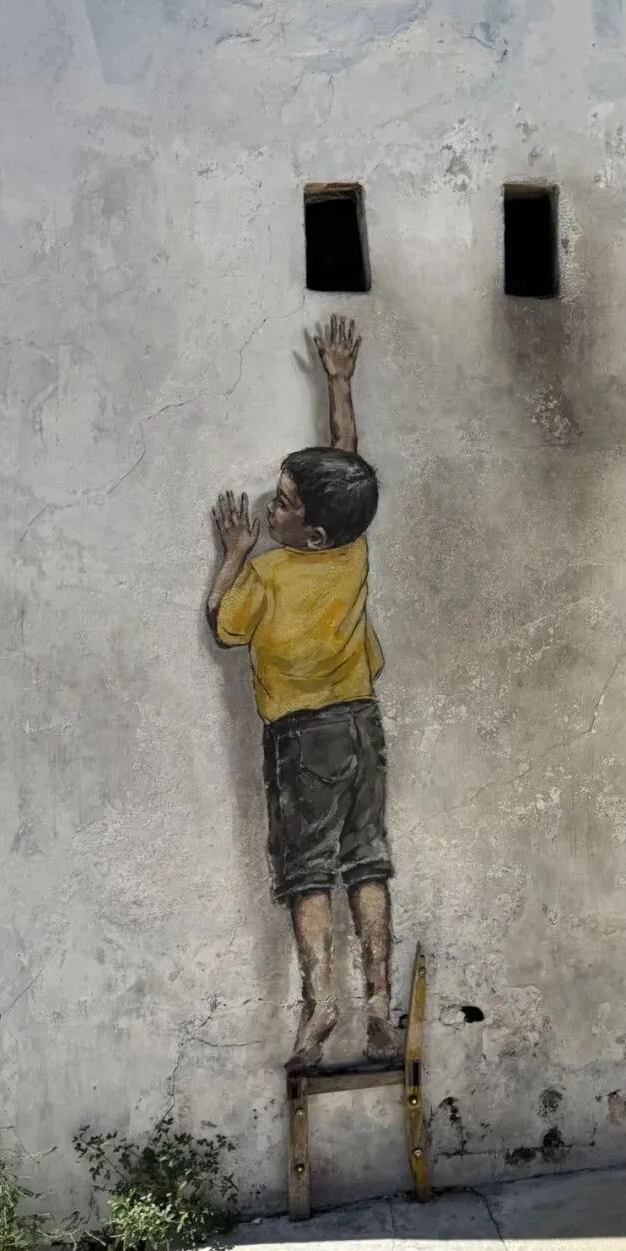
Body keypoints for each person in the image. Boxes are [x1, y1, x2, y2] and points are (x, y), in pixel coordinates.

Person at [207, 315, 398, 1070]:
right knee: (367, 859)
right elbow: (346, 464)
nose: (269, 507)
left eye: (282, 504)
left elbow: (223, 627)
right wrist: (339, 382)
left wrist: (233, 554)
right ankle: (379, 998)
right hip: (361, 727)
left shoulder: (268, 572)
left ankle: (321, 1002)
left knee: (306, 872)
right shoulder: (350, 550)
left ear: (309, 534)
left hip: (300, 739)